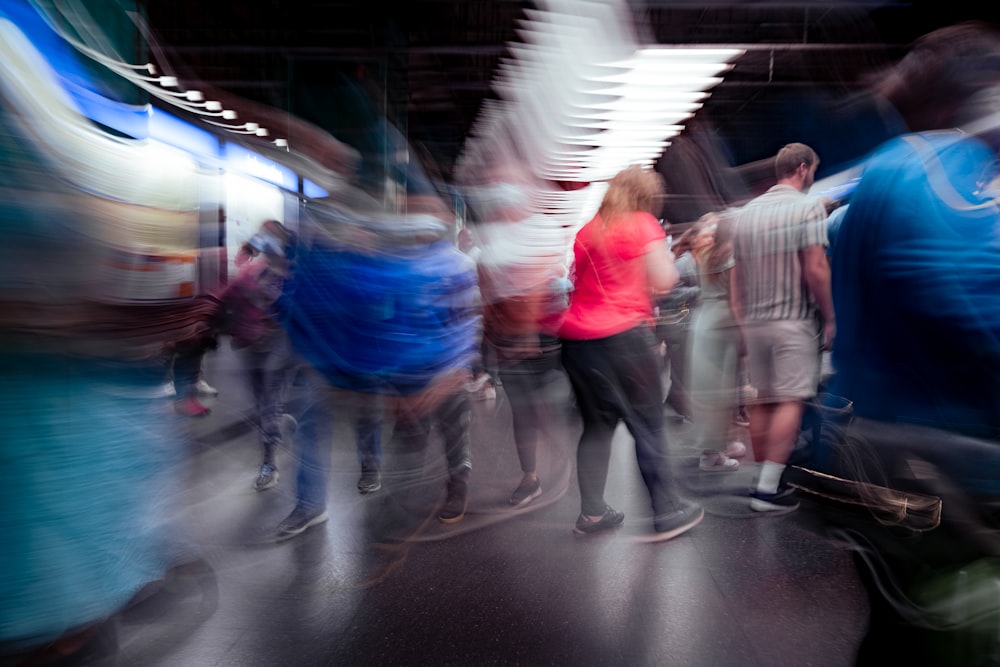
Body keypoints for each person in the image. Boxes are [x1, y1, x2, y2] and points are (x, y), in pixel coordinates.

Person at [558, 165, 704, 541]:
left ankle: (591, 513)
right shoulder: (641, 223)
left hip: (576, 342)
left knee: (596, 426)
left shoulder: (587, 231)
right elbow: (665, 279)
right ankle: (666, 512)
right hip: (623, 339)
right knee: (648, 425)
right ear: (644, 196)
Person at [730, 142, 834, 513]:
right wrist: (831, 317)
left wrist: (742, 322)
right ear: (803, 168)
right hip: (793, 320)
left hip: (755, 321)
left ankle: (762, 476)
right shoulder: (807, 207)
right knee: (790, 399)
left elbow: (736, 279)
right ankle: (767, 490)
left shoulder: (745, 214)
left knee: (763, 397)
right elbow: (816, 269)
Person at [683, 211, 748, 472]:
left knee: (705, 390)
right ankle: (712, 455)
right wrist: (745, 334)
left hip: (703, 321)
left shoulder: (705, 254)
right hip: (723, 322)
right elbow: (737, 301)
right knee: (721, 391)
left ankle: (714, 447)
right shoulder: (731, 256)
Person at [655, 222, 700, 422]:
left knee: (682, 369)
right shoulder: (684, 262)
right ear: (695, 241)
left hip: (682, 323)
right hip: (676, 324)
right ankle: (680, 405)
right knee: (682, 369)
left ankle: (675, 403)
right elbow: (668, 294)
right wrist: (699, 292)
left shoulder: (696, 261)